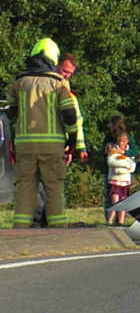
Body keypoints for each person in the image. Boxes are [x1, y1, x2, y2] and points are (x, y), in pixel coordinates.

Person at [6, 38, 79, 228]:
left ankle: (19, 233)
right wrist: (72, 139)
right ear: (53, 59)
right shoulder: (59, 82)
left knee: (25, 190)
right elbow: (70, 115)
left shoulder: (19, 81)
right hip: (52, 148)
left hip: (24, 147)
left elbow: (11, 109)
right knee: (54, 189)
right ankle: (57, 232)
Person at [32, 52, 88, 227]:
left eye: (70, 73)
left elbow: (76, 120)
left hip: (58, 146)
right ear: (56, 65)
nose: (67, 75)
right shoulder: (46, 87)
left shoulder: (65, 91)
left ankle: (46, 223)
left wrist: (78, 147)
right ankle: (39, 223)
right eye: (65, 71)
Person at [101, 116, 138, 222]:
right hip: (110, 172)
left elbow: (134, 152)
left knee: (123, 199)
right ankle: (108, 219)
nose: (109, 126)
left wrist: (123, 153)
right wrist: (107, 150)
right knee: (110, 198)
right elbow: (105, 154)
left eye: (111, 124)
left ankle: (120, 220)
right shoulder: (108, 137)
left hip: (124, 176)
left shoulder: (127, 138)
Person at [105, 132, 136, 225]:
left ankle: (120, 222)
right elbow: (111, 163)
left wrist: (126, 166)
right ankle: (109, 221)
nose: (121, 144)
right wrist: (125, 164)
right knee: (115, 202)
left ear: (126, 141)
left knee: (123, 202)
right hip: (114, 180)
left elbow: (132, 167)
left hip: (125, 180)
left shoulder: (129, 152)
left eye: (123, 142)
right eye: (119, 141)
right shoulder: (113, 150)